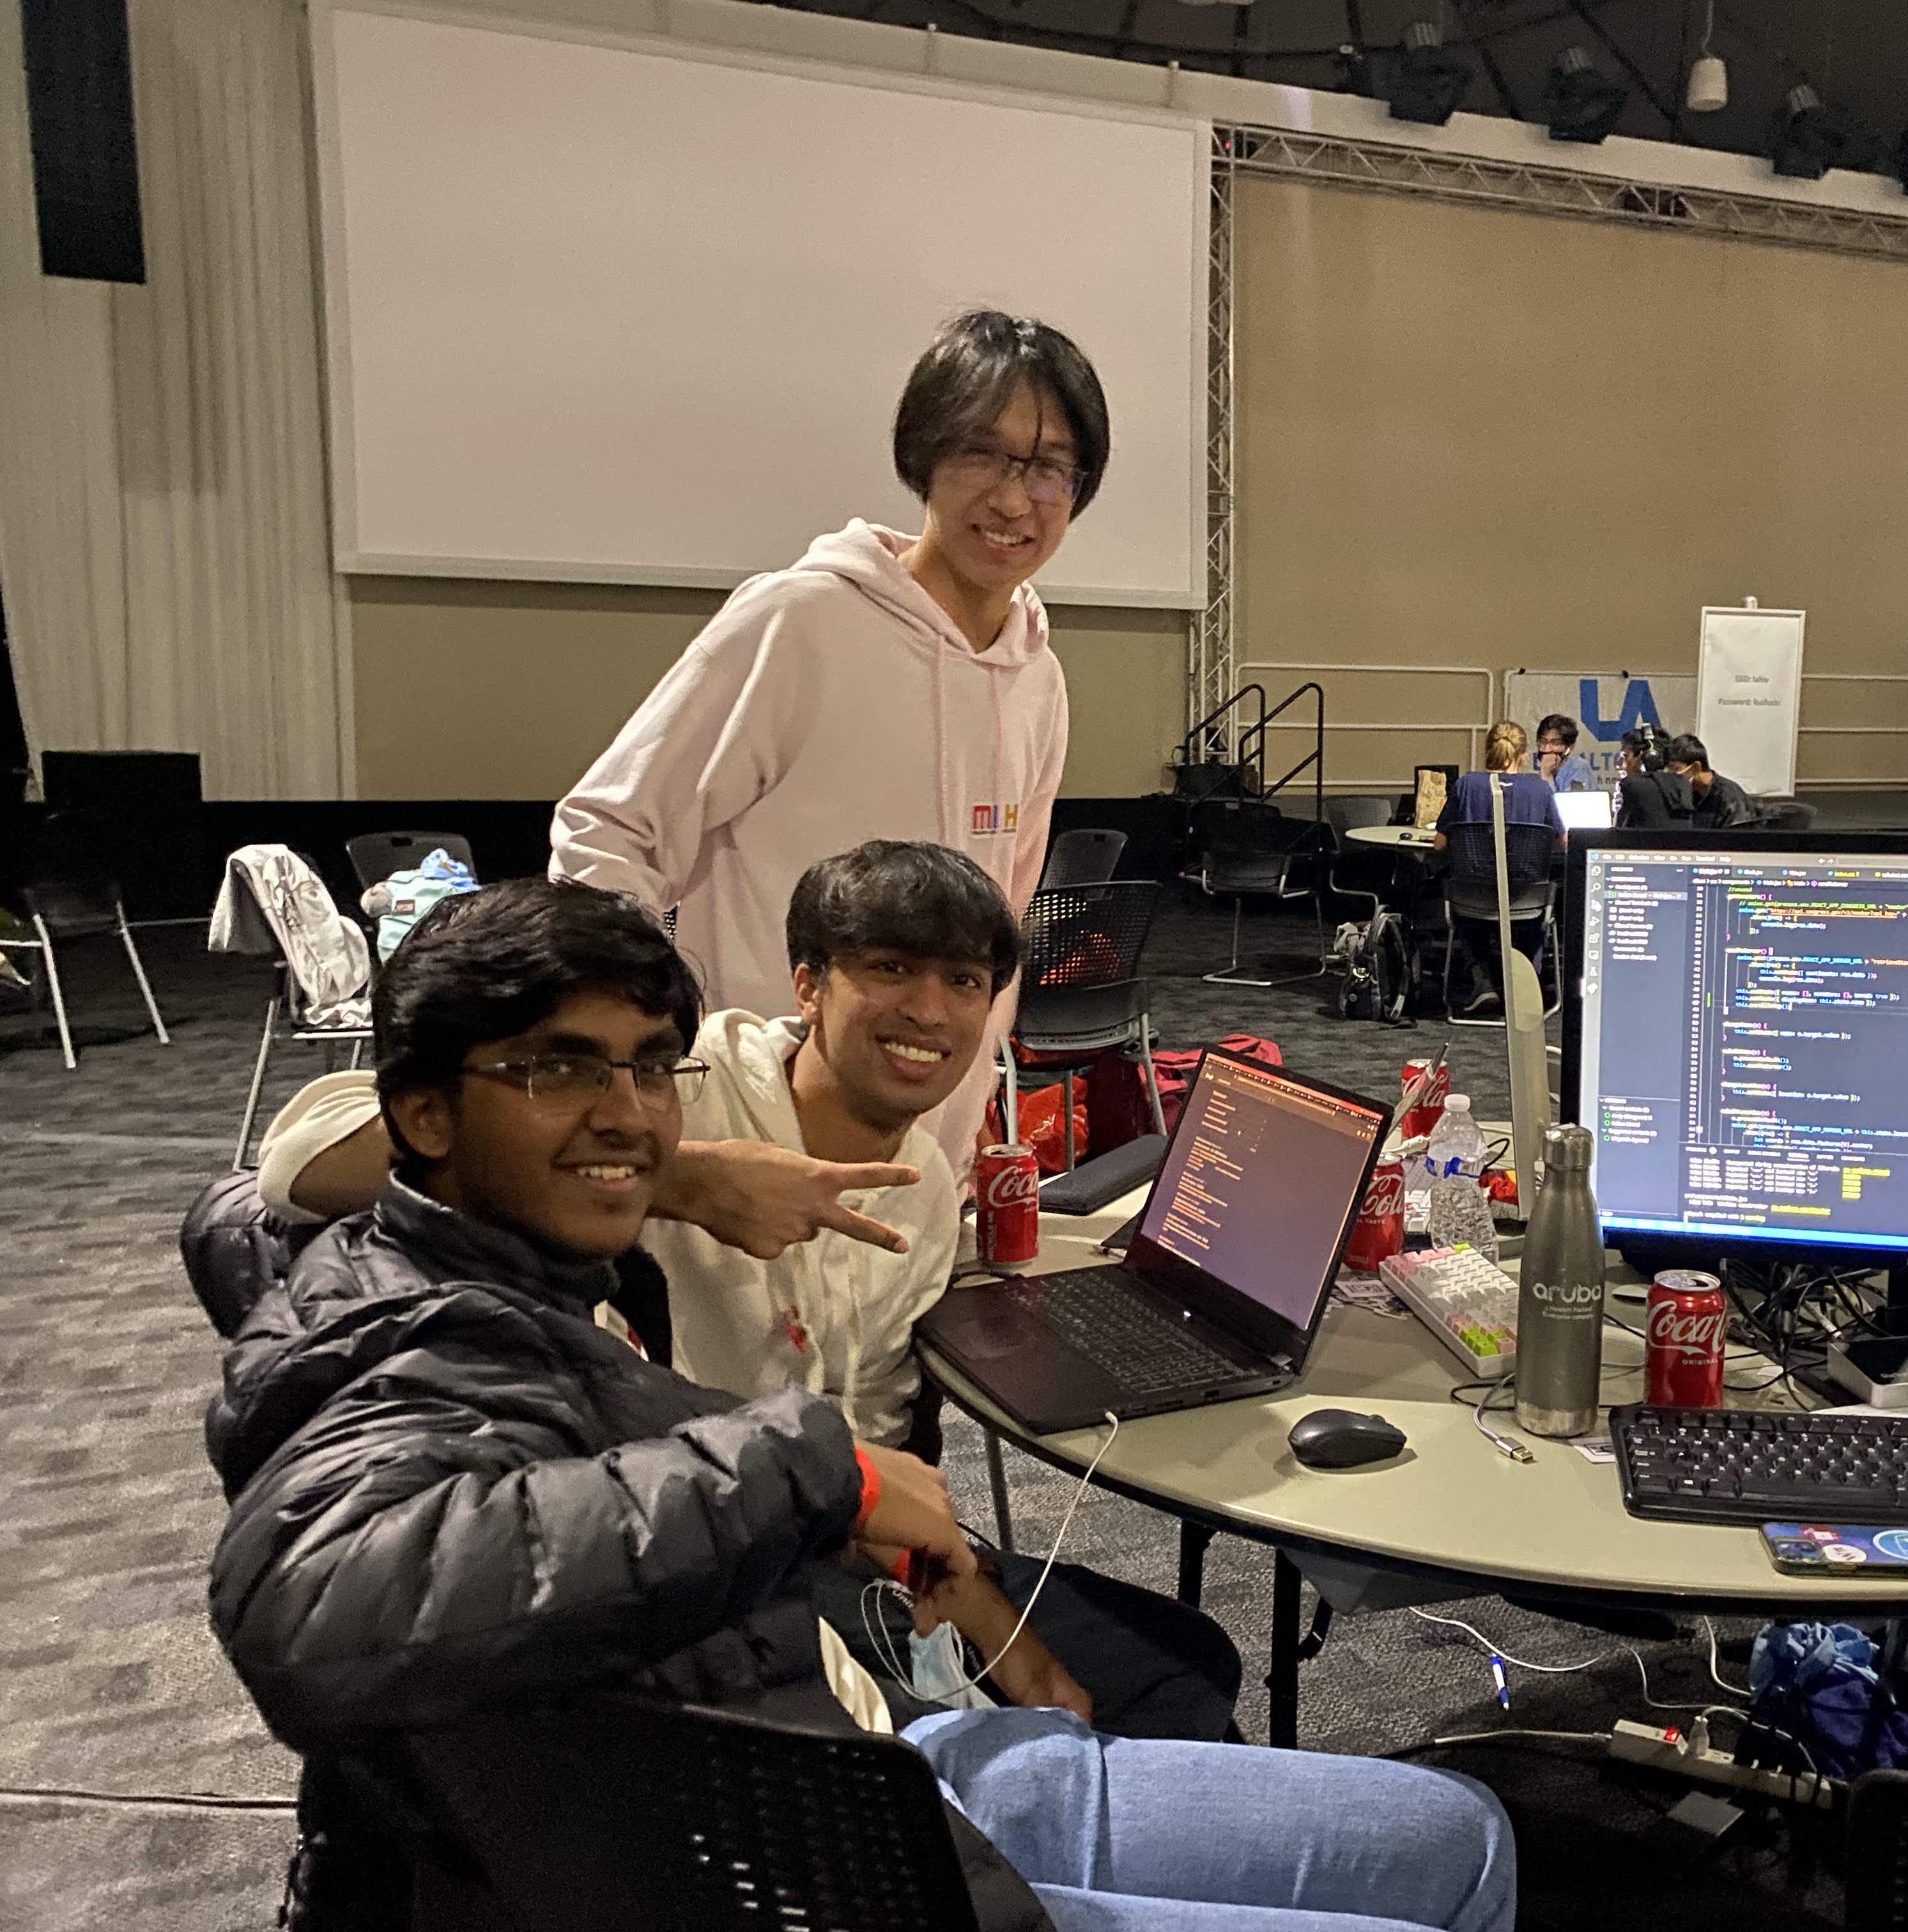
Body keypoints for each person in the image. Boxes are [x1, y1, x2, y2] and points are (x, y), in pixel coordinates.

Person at [206, 878, 1516, 1932]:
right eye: (558, 1072)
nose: (624, 1111)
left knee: (1456, 1827)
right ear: (425, 1112)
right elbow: (315, 1608)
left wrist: (960, 1599)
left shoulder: (582, 1289)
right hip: (797, 1851)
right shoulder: (410, 1329)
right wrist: (707, 1215)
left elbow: (880, 1469)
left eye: (643, 1071)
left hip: (831, 1731)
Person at [252, 843, 1242, 1740]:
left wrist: (976, 1606)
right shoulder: (691, 1089)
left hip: (848, 1546)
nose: (932, 1012)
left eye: (964, 981)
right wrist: (686, 1177)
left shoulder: (928, 1188)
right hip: (699, 1579)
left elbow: (877, 1435)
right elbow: (292, 1164)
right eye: (890, 970)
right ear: (807, 986)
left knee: (1187, 1666)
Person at [551, 310, 1107, 1183]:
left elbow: (1003, 925)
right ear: (922, 458)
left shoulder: (1041, 679)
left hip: (926, 1162)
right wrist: (658, 1053)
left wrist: (966, 1130)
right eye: (980, 455)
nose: (1010, 499)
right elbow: (607, 834)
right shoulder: (801, 621)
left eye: (1045, 468)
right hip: (750, 1141)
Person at [1432, 720, 1562, 1015]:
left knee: (1471, 908)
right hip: (1527, 897)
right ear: (1525, 755)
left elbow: (1440, 844)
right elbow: (1562, 842)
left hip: (1473, 897)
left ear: (1488, 750)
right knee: (1532, 918)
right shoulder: (1541, 789)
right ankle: (1526, 987)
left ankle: (1483, 983)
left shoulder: (1465, 784)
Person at [1661, 732, 1758, 829]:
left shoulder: (1730, 798)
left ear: (1696, 767)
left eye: (1675, 769)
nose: (1671, 775)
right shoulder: (1685, 795)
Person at [1533, 712, 1594, 793]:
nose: (1547, 749)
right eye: (1543, 742)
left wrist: (1547, 776)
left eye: (1555, 743)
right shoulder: (1542, 772)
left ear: (1570, 747)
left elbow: (1568, 804)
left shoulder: (1579, 767)